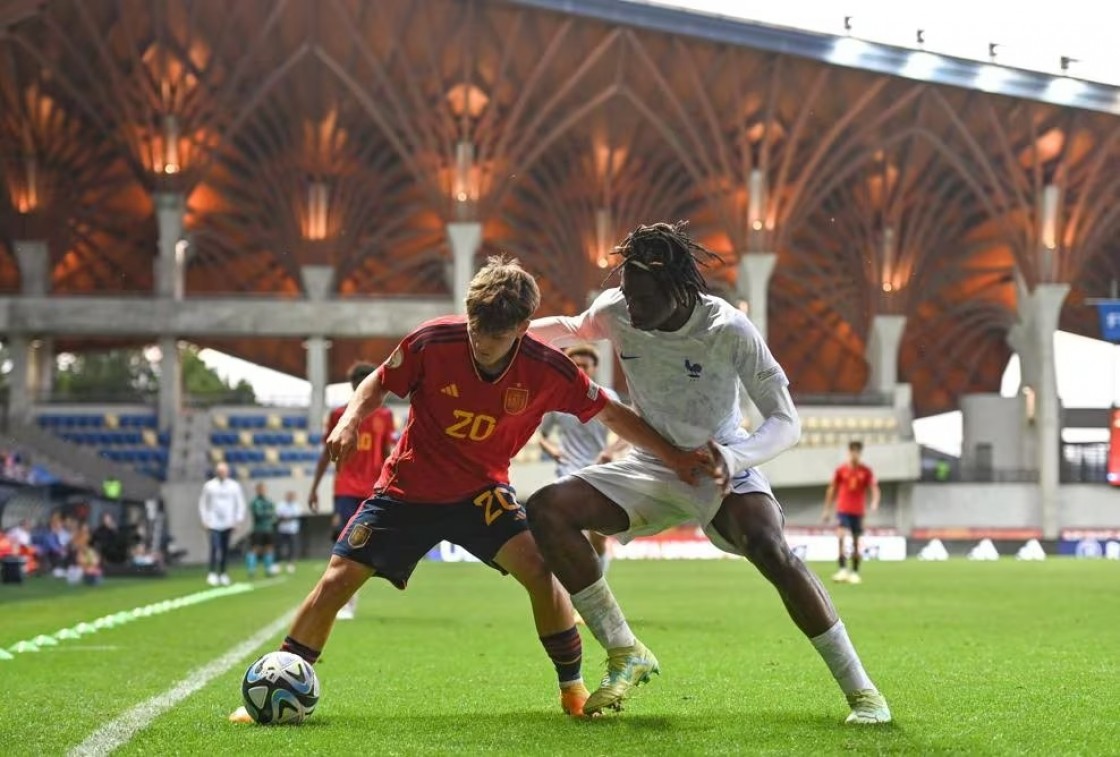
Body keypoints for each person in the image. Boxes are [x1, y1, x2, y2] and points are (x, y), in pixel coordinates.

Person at [228, 255, 709, 724]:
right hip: (406, 491)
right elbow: (378, 381)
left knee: (542, 572)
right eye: (476, 328)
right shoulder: (432, 341)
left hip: (481, 495)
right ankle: (280, 680)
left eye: (495, 335)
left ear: (523, 329)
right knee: (335, 581)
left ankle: (573, 689)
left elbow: (611, 412)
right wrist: (351, 419)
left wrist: (677, 458)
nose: (480, 341)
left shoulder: (549, 370)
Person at [526, 221, 891, 723]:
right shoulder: (618, 308)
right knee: (547, 508)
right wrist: (492, 331)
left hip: (721, 462)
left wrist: (735, 459)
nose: (629, 306)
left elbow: (787, 422)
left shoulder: (729, 329)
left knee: (771, 548)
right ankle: (623, 647)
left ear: (677, 289)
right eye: (626, 293)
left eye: (641, 297)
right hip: (652, 463)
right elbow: (571, 329)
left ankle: (863, 693)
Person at [308, 362, 396, 620]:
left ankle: (350, 594)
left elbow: (386, 454)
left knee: (367, 544)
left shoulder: (385, 416)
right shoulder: (339, 415)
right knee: (347, 543)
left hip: (373, 487)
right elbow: (328, 451)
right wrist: (314, 488)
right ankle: (346, 601)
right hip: (346, 486)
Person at [538, 345, 629, 575]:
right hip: (567, 471)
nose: (580, 369)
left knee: (598, 539)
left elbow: (628, 433)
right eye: (575, 365)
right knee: (571, 534)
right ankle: (575, 592)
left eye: (584, 365)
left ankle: (598, 585)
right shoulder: (556, 399)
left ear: (594, 368)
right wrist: (553, 451)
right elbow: (541, 436)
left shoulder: (609, 397)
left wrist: (610, 450)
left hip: (599, 471)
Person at [821, 440, 881, 584]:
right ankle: (842, 569)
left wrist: (874, 502)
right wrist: (827, 509)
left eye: (857, 452)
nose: (855, 454)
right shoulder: (841, 470)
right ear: (849, 452)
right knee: (841, 536)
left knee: (855, 541)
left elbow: (874, 488)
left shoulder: (866, 471)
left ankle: (854, 572)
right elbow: (832, 489)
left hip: (858, 511)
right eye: (852, 451)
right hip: (843, 509)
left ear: (860, 453)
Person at [198, 462, 246, 586]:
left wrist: (238, 520)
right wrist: (204, 519)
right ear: (216, 472)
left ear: (227, 472)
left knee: (225, 549)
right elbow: (203, 503)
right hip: (213, 522)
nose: (222, 473)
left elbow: (240, 504)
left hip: (228, 522)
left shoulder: (234, 486)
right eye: (219, 471)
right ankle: (212, 573)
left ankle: (223, 573)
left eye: (224, 471)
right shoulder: (209, 486)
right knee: (214, 547)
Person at [247, 482, 277, 578]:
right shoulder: (255, 502)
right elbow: (258, 514)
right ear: (257, 490)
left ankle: (268, 569)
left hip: (268, 529)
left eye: (263, 489)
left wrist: (268, 515)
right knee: (255, 549)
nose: (262, 491)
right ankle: (251, 570)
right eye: (260, 489)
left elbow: (274, 516)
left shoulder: (269, 501)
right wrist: (268, 514)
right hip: (258, 529)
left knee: (269, 548)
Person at [275, 490, 301, 574]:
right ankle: (278, 563)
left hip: (292, 530)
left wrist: (287, 518)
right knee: (280, 546)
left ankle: (290, 564)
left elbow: (296, 516)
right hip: (282, 529)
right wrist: (285, 518)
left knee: (292, 547)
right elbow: (278, 515)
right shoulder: (281, 505)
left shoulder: (296, 506)